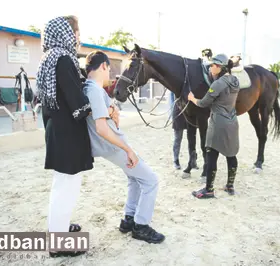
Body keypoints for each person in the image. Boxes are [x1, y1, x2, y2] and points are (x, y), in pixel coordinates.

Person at [83, 50, 165, 244]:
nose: (109, 74)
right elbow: (102, 129)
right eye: (109, 69)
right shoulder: (94, 89)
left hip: (112, 145)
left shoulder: (89, 88)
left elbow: (102, 113)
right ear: (103, 66)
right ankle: (141, 226)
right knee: (151, 180)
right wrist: (128, 149)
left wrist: (112, 109)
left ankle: (129, 219)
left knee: (135, 178)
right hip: (112, 146)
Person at [36, 16, 92, 257]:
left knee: (62, 185)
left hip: (57, 130)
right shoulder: (63, 60)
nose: (78, 36)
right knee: (66, 187)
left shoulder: (50, 58)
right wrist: (98, 110)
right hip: (67, 133)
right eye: (75, 31)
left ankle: (58, 228)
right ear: (64, 33)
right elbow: (76, 99)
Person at [187, 54, 240, 199]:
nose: (210, 68)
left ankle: (209, 189)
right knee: (231, 154)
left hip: (218, 123)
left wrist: (192, 99)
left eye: (212, 65)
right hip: (232, 121)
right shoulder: (235, 80)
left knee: (211, 155)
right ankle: (230, 186)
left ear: (219, 67)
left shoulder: (217, 84)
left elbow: (203, 103)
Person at [170, 92, 198, 170]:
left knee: (192, 139)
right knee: (178, 138)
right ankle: (176, 160)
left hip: (190, 112)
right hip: (178, 111)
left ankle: (193, 161)